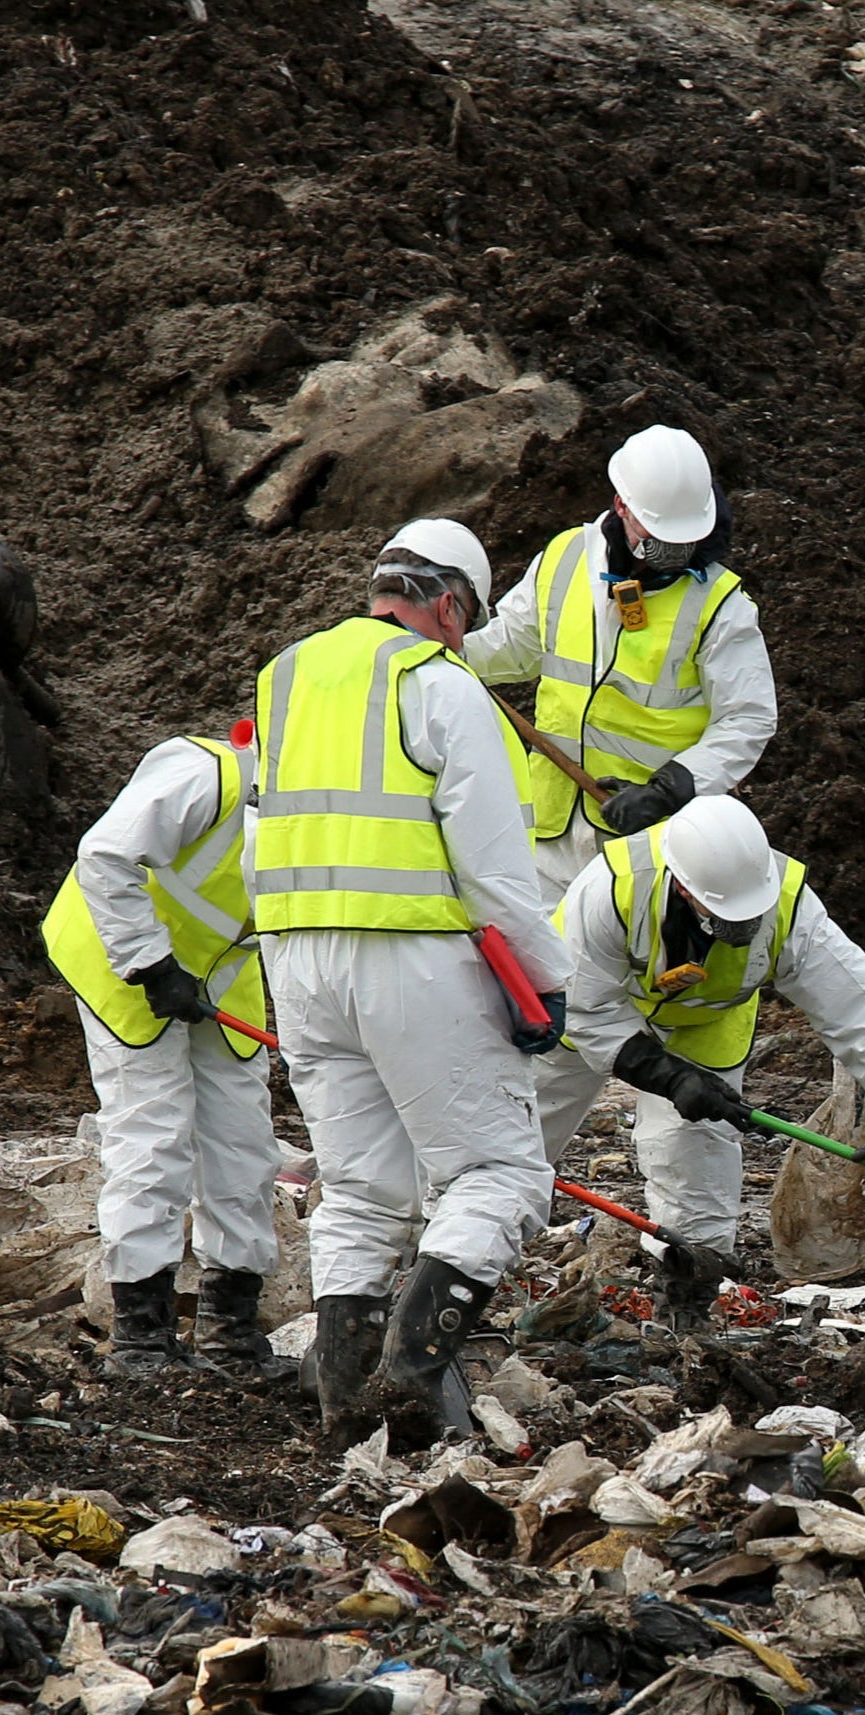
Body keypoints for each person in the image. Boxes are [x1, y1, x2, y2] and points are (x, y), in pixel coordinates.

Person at [249, 519, 574, 1433]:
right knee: (501, 1172)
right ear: (446, 605)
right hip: (411, 954)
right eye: (464, 622)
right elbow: (494, 864)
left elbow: (258, 824)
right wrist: (542, 982)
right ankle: (416, 1359)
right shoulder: (437, 682)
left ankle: (344, 1395)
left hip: (298, 958)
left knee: (359, 1185)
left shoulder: (286, 677)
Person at [540, 795, 865, 1315]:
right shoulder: (611, 890)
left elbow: (860, 1010)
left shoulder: (790, 908)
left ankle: (686, 1301)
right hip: (581, 1012)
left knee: (696, 1164)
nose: (744, 927)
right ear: (683, 887)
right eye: (725, 915)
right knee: (512, 1140)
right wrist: (666, 1076)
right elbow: (586, 1005)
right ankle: (447, 1252)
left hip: (704, 1023)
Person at [39, 724, 280, 1378]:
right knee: (154, 1133)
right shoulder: (206, 773)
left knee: (243, 1142)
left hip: (218, 976)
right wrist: (150, 965)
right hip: (125, 961)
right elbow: (104, 856)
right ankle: (142, 1341)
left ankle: (231, 1334)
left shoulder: (330, 808)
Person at [464, 424, 776, 905]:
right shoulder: (568, 557)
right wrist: (435, 643)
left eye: (682, 539)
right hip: (550, 828)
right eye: (658, 536)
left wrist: (671, 789)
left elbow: (749, 718)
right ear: (621, 506)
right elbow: (512, 646)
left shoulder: (719, 605)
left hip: (649, 840)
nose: (671, 551)